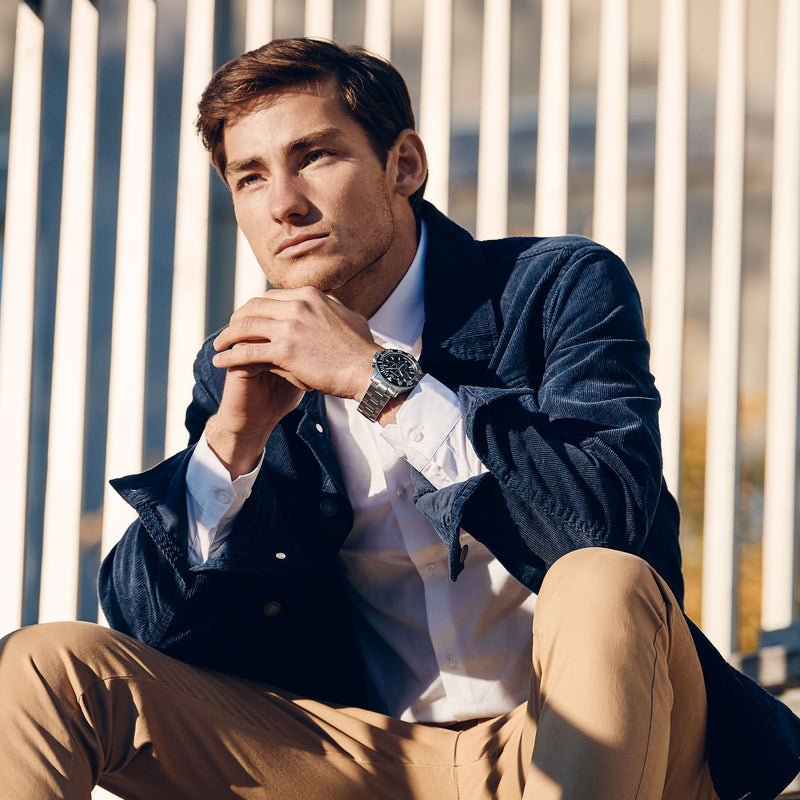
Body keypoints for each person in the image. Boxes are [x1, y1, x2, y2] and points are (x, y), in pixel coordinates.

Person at [0, 37, 798, 800]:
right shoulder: (240, 368)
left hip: (590, 737)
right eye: (249, 177)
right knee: (45, 664)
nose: (284, 203)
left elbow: (613, 527)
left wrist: (381, 379)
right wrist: (229, 450)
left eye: (314, 156)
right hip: (378, 760)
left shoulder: (551, 288)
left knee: (601, 579)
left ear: (404, 165)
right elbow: (156, 637)